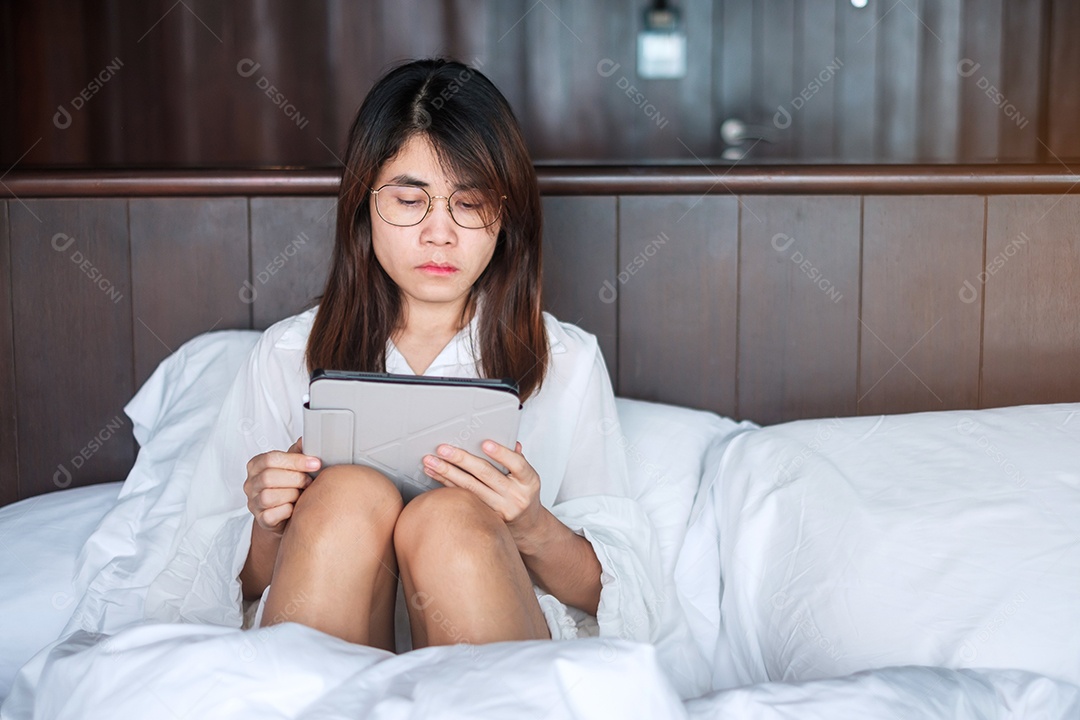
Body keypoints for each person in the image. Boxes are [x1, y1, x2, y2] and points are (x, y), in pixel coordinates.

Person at [148, 59, 666, 653]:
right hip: (325, 626)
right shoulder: (287, 353)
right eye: (408, 199)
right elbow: (216, 593)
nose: (439, 234)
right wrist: (271, 528)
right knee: (345, 496)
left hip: (493, 634)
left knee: (448, 519)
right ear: (364, 206)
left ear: (507, 215)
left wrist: (531, 525)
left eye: (468, 203)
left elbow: (613, 600)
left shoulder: (567, 360)